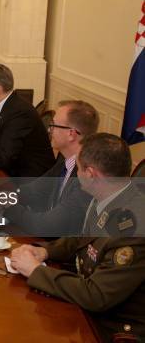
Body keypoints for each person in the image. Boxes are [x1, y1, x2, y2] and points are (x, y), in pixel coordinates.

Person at [10, 133, 145, 341]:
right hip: (86, 301)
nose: (76, 174)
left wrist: (36, 271)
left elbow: (97, 295)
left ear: (91, 174)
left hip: (111, 327)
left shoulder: (131, 229)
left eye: (78, 169)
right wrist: (45, 250)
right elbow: (82, 239)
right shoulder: (107, 195)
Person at [3, 100, 99, 235]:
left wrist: (10, 208)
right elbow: (34, 191)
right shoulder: (65, 159)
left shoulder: (87, 177)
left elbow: (45, 226)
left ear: (71, 134)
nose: (49, 130)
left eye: (53, 125)